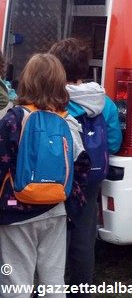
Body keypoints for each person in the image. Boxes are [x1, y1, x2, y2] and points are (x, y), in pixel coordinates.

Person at [0, 53, 87, 298]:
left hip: (15, 211)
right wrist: (72, 206)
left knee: (15, 280)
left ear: (26, 80)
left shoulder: (13, 119)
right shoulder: (68, 121)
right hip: (55, 209)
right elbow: (81, 166)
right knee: (53, 279)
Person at [49, 38, 122, 297]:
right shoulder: (104, 101)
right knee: (84, 235)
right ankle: (81, 290)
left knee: (55, 236)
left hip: (57, 177)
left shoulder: (53, 99)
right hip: (90, 178)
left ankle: (52, 287)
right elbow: (113, 142)